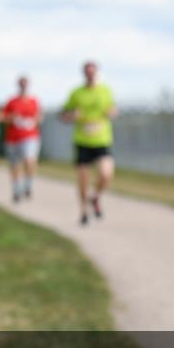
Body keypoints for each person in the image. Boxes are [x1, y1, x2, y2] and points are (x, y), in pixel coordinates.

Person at [61, 61, 117, 225]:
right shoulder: (76, 93)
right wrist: (72, 116)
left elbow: (113, 110)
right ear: (84, 74)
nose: (90, 75)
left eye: (93, 72)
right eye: (87, 72)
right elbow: (64, 116)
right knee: (83, 179)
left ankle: (95, 197)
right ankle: (83, 212)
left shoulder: (105, 90)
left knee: (106, 174)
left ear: (97, 73)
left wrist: (111, 112)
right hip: (82, 141)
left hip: (101, 140)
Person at [2, 76, 42, 203]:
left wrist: (32, 121)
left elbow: (39, 118)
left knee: (29, 160)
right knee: (15, 165)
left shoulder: (33, 101)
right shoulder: (12, 101)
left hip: (30, 136)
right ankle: (16, 190)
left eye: (25, 84)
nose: (23, 86)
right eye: (21, 84)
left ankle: (28, 185)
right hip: (13, 137)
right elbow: (3, 118)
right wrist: (12, 118)